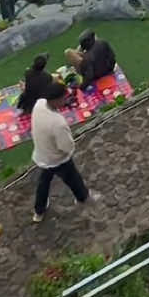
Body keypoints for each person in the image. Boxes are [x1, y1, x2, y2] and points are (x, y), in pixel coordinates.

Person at [31, 81, 91, 223]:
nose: (65, 101)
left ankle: (39, 211)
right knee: (73, 179)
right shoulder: (58, 123)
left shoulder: (39, 104)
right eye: (64, 98)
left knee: (43, 183)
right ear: (55, 100)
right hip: (58, 160)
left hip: (42, 155)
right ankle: (82, 197)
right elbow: (67, 147)